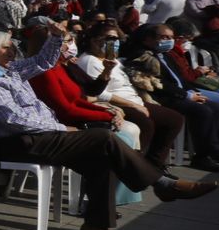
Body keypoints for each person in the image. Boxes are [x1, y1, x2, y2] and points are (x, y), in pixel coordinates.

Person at [0, 24, 216, 230]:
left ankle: (97, 226)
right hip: (16, 142)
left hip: (40, 135)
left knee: (100, 157)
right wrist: (62, 128)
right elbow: (13, 119)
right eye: (5, 47)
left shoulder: (10, 71)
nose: (12, 50)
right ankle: (162, 183)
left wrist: (56, 37)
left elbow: (43, 61)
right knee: (102, 139)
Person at [129, 23, 219, 171]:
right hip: (162, 97)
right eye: (164, 37)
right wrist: (186, 95)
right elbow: (158, 84)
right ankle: (201, 157)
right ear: (147, 39)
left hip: (180, 93)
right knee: (203, 111)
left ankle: (215, 151)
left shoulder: (165, 55)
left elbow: (180, 79)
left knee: (216, 107)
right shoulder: (141, 56)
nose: (169, 40)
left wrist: (193, 92)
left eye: (170, 37)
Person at [73, 27, 181, 169]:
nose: (114, 42)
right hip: (115, 103)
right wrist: (133, 105)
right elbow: (99, 93)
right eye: (109, 38)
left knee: (174, 119)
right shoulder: (89, 61)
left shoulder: (112, 59)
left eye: (116, 39)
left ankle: (154, 165)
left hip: (135, 100)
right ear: (94, 40)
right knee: (145, 123)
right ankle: (134, 167)